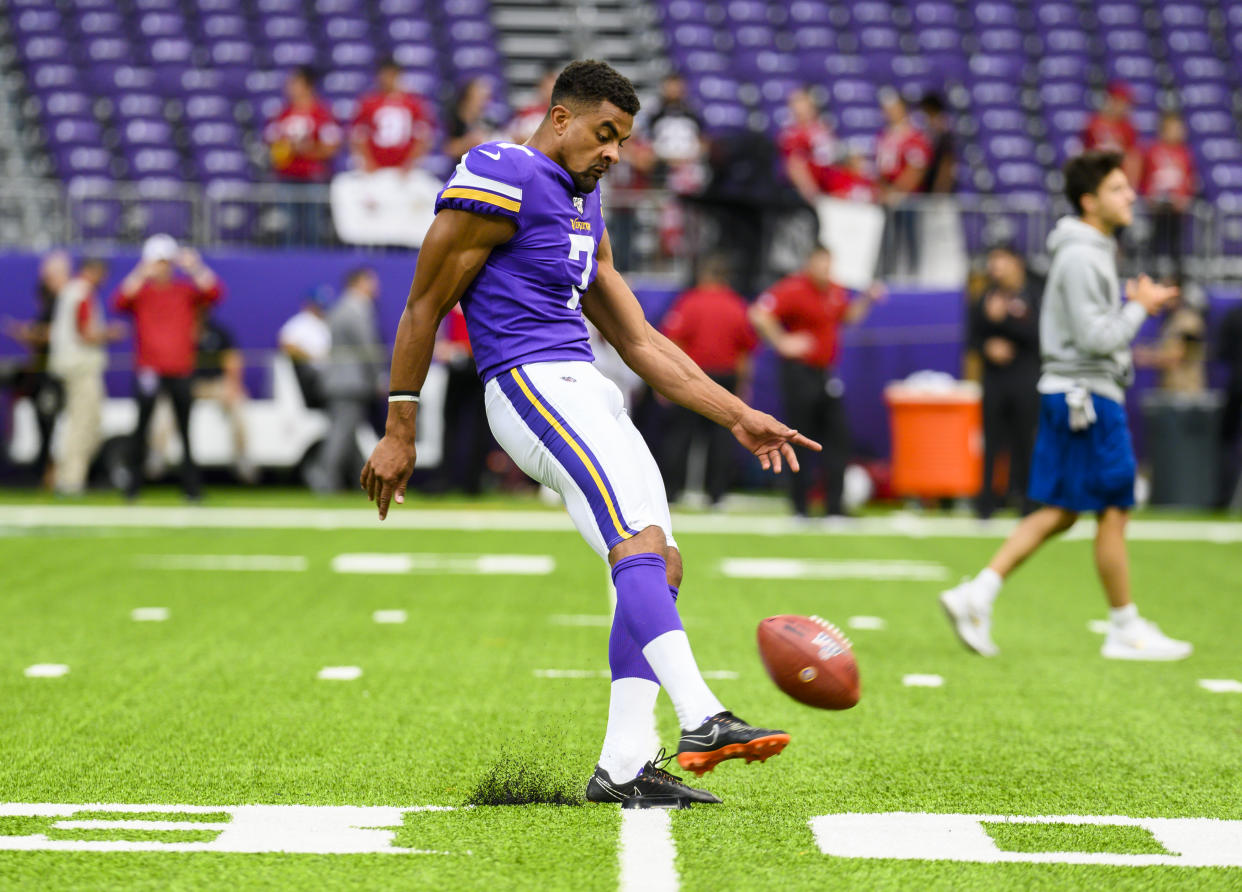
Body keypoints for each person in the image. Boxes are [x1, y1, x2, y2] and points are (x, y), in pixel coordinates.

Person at [360, 60, 819, 806]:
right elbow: (423, 305)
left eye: (623, 141)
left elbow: (641, 343)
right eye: (605, 134)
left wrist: (737, 414)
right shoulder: (502, 169)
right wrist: (399, 428)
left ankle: (624, 765)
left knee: (661, 562)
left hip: (588, 388)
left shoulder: (584, 205)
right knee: (633, 543)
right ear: (562, 118)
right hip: (530, 381)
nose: (614, 153)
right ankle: (702, 714)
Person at [940, 151, 1190, 661]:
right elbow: (1098, 337)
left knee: (1061, 512)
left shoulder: (1089, 249)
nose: (1131, 196)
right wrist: (1138, 307)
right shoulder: (1082, 254)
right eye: (1119, 188)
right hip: (1088, 398)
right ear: (1089, 200)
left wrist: (1132, 303)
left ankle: (977, 593)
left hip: (1071, 394)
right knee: (1115, 509)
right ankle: (1124, 627)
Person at [750, 245, 881, 518]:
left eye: (829, 264)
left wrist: (867, 299)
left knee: (838, 438)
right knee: (800, 437)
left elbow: (847, 316)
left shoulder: (834, 290)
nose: (825, 269)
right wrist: (782, 342)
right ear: (810, 263)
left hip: (825, 374)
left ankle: (835, 507)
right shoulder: (793, 288)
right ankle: (800, 506)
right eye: (821, 263)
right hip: (799, 373)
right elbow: (759, 313)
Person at [113, 234, 223, 501]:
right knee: (141, 428)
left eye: (165, 262)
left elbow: (215, 292)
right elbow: (119, 302)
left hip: (180, 368)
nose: (162, 268)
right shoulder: (143, 292)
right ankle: (133, 487)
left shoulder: (184, 290)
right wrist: (141, 272)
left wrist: (194, 266)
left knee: (185, 430)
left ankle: (191, 488)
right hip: (149, 369)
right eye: (158, 262)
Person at [659, 254, 757, 506]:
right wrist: (742, 386)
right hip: (725, 377)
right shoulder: (737, 305)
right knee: (721, 438)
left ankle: (671, 492)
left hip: (692, 376)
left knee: (680, 435)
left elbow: (673, 342)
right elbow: (744, 352)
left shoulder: (690, 302)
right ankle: (717, 494)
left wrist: (664, 380)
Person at [969, 244, 1041, 518]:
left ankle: (1027, 501)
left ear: (1016, 263)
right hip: (995, 379)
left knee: (1025, 441)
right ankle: (986, 502)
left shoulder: (1033, 294)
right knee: (991, 441)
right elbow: (972, 336)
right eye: (993, 261)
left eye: (1001, 260)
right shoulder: (986, 296)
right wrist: (988, 347)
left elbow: (1039, 335)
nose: (995, 267)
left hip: (1025, 378)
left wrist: (1006, 320)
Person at [47, 258, 122, 494]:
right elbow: (85, 333)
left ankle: (69, 477)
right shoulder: (82, 292)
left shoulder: (70, 291)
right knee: (82, 424)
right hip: (80, 367)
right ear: (93, 271)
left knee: (85, 423)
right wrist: (110, 333)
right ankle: (70, 480)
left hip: (72, 365)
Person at [308, 267, 385, 492]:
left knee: (347, 434)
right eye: (372, 281)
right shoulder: (355, 308)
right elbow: (367, 347)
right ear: (359, 283)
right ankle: (322, 478)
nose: (376, 287)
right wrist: (379, 376)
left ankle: (362, 481)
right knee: (341, 434)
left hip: (341, 381)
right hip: (349, 383)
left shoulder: (342, 307)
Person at [3, 251, 70, 486]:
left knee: (51, 423)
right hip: (43, 371)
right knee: (43, 423)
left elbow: (55, 335)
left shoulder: (66, 300)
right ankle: (45, 472)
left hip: (56, 372)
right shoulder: (51, 299)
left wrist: (24, 332)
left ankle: (50, 473)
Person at [264, 66, 342, 244]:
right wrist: (286, 150)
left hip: (312, 177)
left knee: (312, 227)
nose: (290, 87)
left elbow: (331, 146)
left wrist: (306, 150)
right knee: (288, 227)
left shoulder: (321, 113)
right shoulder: (283, 114)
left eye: (295, 83)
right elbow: (272, 145)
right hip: (287, 177)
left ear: (307, 85)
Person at [432, 305, 491, 494]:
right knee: (452, 423)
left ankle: (473, 482)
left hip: (478, 363)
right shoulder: (454, 296)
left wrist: (460, 349)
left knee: (480, 425)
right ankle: (447, 479)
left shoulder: (482, 294)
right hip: (458, 367)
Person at [193, 313, 255, 483]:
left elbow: (233, 360)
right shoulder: (180, 330)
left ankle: (242, 456)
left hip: (216, 385)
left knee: (238, 402)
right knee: (166, 406)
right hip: (189, 385)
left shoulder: (218, 332)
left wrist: (233, 385)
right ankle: (156, 455)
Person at [875, 89, 931, 275]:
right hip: (887, 197)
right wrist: (884, 191)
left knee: (910, 239)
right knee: (889, 240)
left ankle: (913, 274)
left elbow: (917, 169)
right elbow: (881, 168)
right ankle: (888, 274)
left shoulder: (913, 136)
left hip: (908, 199)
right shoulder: (885, 135)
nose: (889, 112)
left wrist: (897, 191)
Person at [350, 58, 435, 172]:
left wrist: (410, 163)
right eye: (384, 75)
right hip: (375, 168)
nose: (387, 79)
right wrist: (368, 162)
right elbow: (358, 136)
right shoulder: (368, 103)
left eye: (391, 75)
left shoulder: (412, 103)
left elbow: (423, 137)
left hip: (405, 171)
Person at [1140, 111, 1196, 278]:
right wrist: (1149, 197)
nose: (1178, 132)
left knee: (1176, 243)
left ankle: (1178, 278)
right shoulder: (1152, 151)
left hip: (1177, 208)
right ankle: (1152, 274)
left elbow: (1188, 179)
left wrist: (1185, 198)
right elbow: (1145, 178)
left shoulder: (1184, 153)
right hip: (1157, 207)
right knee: (1155, 241)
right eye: (1174, 128)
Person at [777, 87, 842, 205]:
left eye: (805, 103)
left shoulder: (823, 128)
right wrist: (812, 194)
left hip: (833, 188)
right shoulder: (793, 134)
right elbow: (795, 166)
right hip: (813, 193)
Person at [278, 285, 332, 409]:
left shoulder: (326, 323)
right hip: (309, 376)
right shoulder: (299, 323)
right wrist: (311, 357)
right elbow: (287, 346)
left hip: (329, 373)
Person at [1082, 82, 1141, 185]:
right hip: (1097, 176)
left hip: (1117, 176)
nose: (1125, 107)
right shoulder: (1093, 123)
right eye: (1121, 103)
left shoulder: (1127, 127)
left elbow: (1132, 158)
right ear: (1112, 101)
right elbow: (1086, 154)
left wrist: (1130, 183)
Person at [1218, 301, 1242, 510]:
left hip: (1236, 385)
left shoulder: (1234, 315)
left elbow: (1221, 352)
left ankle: (1224, 499)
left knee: (1227, 443)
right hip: (1236, 386)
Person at [444, 78, 496, 160]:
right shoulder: (451, 119)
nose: (483, 103)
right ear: (466, 98)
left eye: (486, 98)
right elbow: (446, 150)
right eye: (479, 97)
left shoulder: (487, 121)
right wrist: (467, 143)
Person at [506, 65, 557, 145]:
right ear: (540, 87)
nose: (549, 92)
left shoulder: (561, 112)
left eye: (553, 88)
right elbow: (513, 135)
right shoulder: (526, 109)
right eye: (547, 87)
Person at [919, 92, 957, 195]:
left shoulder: (944, 136)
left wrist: (941, 191)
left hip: (941, 194)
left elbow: (947, 164)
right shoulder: (929, 136)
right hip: (929, 193)